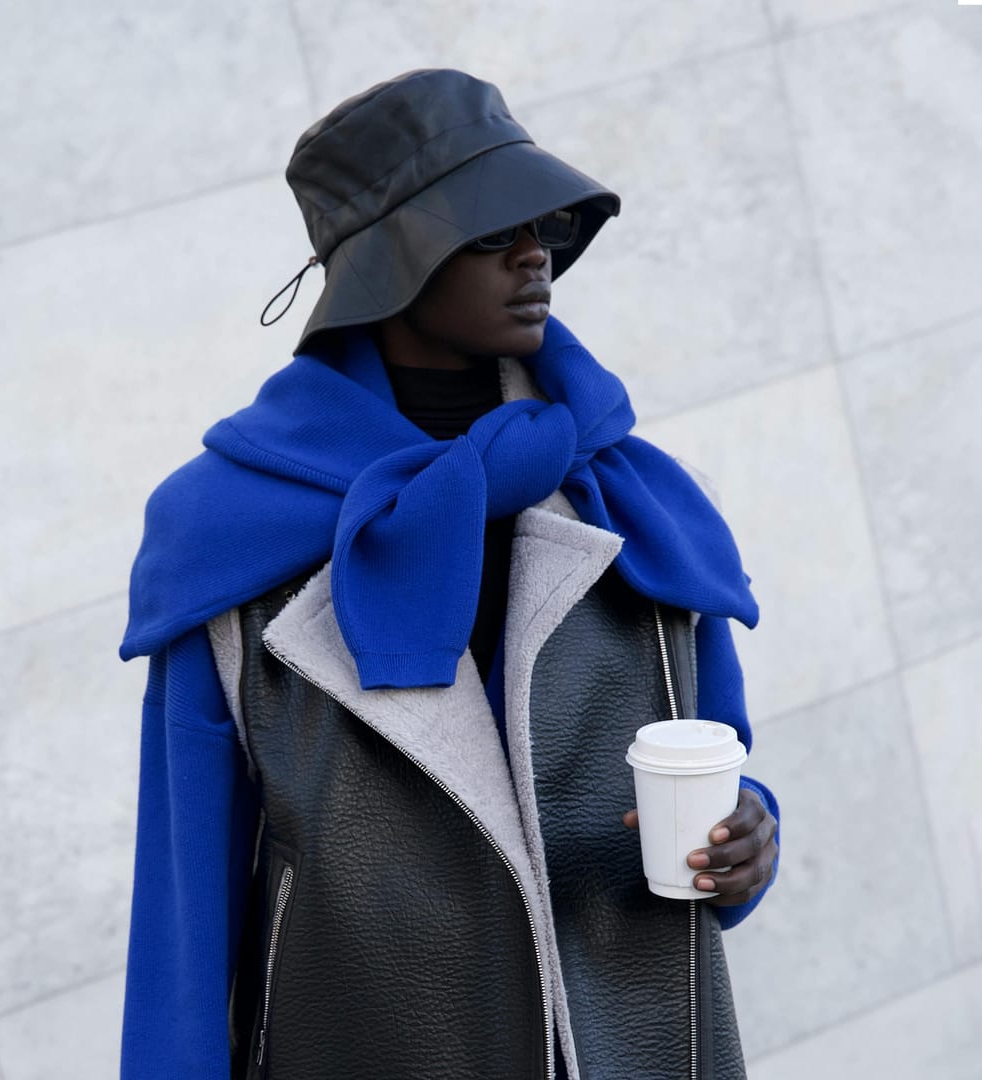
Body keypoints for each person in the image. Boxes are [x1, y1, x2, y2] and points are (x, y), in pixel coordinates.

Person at [118, 68, 779, 1080]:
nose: (534, 255)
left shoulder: (630, 497)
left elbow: (719, 756)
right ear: (391, 263)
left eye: (546, 225)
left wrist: (747, 839)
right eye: (491, 230)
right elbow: (186, 907)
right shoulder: (226, 534)